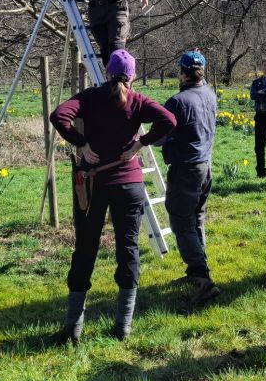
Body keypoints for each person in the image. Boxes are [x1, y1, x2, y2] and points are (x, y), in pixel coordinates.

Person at [49, 49, 176, 343]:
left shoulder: (90, 97)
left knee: (85, 248)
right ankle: (123, 326)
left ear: (107, 73)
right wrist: (140, 144)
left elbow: (59, 116)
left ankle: (73, 329)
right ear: (132, 76)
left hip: (94, 186)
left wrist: (81, 143)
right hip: (128, 185)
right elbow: (169, 120)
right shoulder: (138, 100)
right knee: (128, 248)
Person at [160, 50, 220, 304]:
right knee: (196, 218)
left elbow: (162, 134)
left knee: (181, 221)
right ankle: (197, 271)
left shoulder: (178, 101)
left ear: (183, 72)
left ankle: (203, 278)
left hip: (185, 168)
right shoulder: (209, 94)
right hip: (205, 166)